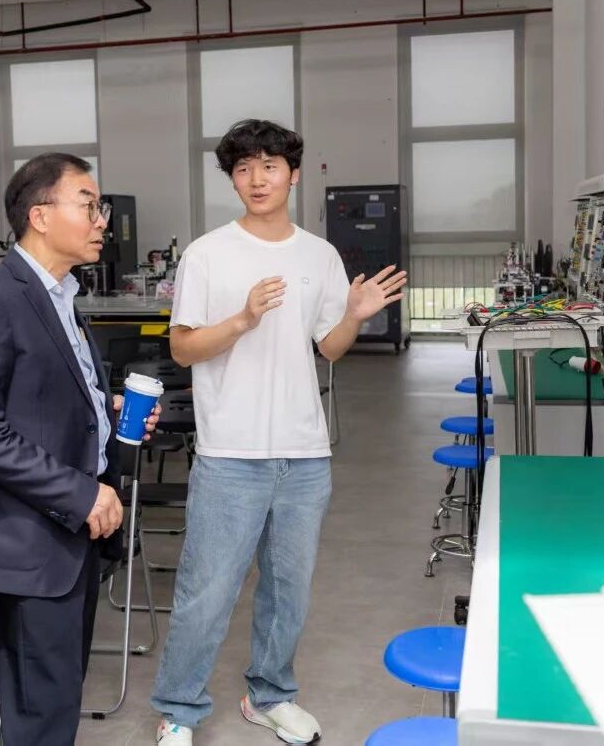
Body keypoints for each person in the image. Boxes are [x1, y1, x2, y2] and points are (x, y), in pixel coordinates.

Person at [151, 120, 407, 745]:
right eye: (243, 169)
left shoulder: (319, 255)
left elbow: (329, 348)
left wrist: (354, 316)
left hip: (304, 454)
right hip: (230, 453)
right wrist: (242, 319)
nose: (256, 179)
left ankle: (270, 696)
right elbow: (182, 349)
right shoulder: (207, 254)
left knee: (288, 592)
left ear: (293, 174)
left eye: (269, 166)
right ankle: (178, 710)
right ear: (232, 180)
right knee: (208, 592)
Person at [0, 153, 159, 745]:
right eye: (88, 205)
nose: (102, 220)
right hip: (33, 535)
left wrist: (106, 409)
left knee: (58, 697)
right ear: (40, 216)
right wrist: (79, 492)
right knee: (41, 712)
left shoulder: (61, 296)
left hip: (73, 530)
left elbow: (43, 397)